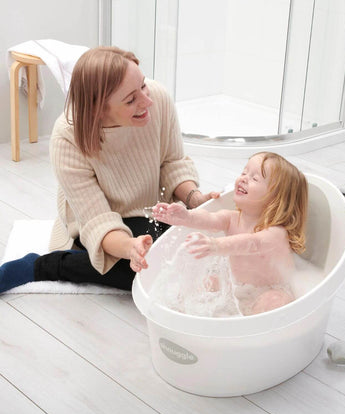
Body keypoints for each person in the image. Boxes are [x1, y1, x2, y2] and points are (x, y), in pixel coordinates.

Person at [0, 46, 218, 293]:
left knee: (196, 254)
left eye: (143, 85)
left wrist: (195, 199)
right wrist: (130, 248)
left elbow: (172, 163)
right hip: (101, 223)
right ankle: (43, 265)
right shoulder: (67, 138)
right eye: (131, 100)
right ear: (99, 109)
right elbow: (97, 220)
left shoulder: (158, 100)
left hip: (153, 212)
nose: (147, 100)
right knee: (154, 271)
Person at [153, 152, 308, 315]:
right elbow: (209, 218)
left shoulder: (276, 233)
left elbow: (252, 243)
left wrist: (216, 245)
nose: (244, 178)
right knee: (204, 283)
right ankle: (179, 313)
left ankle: (250, 330)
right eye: (244, 172)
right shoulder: (232, 218)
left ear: (276, 199)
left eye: (255, 178)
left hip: (270, 289)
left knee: (274, 302)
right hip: (235, 286)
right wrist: (186, 216)